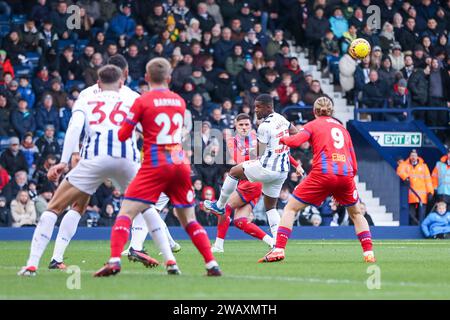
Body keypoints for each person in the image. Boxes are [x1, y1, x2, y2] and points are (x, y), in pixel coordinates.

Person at [17, 64, 169, 276]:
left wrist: (65, 160)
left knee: (61, 207)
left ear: (99, 81)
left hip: (91, 159)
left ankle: (37, 263)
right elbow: (150, 130)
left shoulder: (87, 95)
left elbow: (74, 128)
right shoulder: (133, 97)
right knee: (146, 205)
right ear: (123, 77)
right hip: (126, 159)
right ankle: (166, 259)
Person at [94, 57, 221, 277]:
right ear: (169, 78)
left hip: (155, 162)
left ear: (146, 77)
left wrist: (133, 125)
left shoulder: (142, 101)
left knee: (126, 211)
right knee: (189, 219)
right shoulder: (179, 101)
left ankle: (115, 260)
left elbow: (124, 134)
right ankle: (211, 264)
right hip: (179, 162)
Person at [258, 97, 376, 264]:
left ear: (314, 111)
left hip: (323, 173)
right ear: (332, 111)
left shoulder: (313, 125)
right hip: (345, 174)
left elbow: (296, 141)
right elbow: (354, 163)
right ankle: (368, 253)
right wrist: (341, 188)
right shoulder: (343, 130)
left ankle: (278, 249)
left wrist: (281, 138)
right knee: (356, 214)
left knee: (290, 208)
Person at [205, 94, 303, 240]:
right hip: (282, 171)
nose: (255, 110)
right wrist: (283, 144)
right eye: (255, 106)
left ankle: (219, 206)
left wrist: (249, 151)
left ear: (268, 107)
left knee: (233, 172)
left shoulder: (263, 127)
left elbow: (259, 152)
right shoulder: (281, 119)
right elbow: (296, 134)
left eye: (258, 107)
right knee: (270, 208)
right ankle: (277, 244)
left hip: (265, 170)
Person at [208, 113, 274, 253]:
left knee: (224, 207)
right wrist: (256, 155)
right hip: (247, 183)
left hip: (253, 183)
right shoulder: (233, 141)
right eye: (241, 125)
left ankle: (219, 245)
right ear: (236, 126)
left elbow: (273, 153)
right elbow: (239, 159)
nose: (244, 128)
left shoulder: (258, 139)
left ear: (251, 126)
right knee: (240, 221)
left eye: (246, 125)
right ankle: (271, 241)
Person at [397, 149, 434, 225]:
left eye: (415, 155)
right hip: (411, 196)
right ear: (410, 156)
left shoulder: (424, 166)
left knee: (422, 215)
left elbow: (428, 180)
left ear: (417, 156)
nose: (413, 157)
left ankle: (422, 230)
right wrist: (406, 177)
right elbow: (399, 170)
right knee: (411, 215)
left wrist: (430, 192)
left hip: (422, 196)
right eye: (412, 155)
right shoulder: (406, 165)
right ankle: (413, 231)